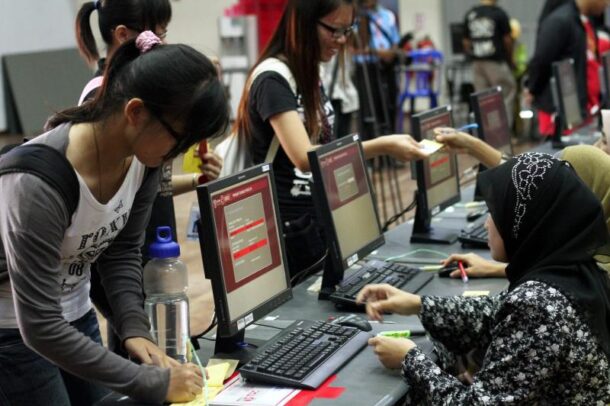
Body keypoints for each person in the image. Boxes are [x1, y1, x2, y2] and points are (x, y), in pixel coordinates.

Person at [0, 32, 229, 405]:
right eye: (180, 140)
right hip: (14, 329)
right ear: (135, 112)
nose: (180, 153)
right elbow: (39, 326)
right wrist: (149, 382)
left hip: (73, 312)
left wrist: (133, 329)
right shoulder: (35, 184)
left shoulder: (143, 160)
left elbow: (120, 250)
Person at [358, 152, 610, 403]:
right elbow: (493, 313)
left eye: (496, 213)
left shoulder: (538, 305)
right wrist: (417, 304)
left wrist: (410, 359)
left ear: (523, 222)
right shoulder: (574, 269)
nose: (488, 223)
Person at [233, 0, 427, 281]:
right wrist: (383, 145)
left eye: (347, 30)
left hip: (316, 218)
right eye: (334, 30)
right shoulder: (273, 79)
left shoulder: (311, 71)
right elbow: (304, 156)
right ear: (302, 23)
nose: (342, 40)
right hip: (286, 229)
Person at [74, 0, 224, 357]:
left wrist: (195, 181)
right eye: (156, 34)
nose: (161, 45)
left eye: (165, 34)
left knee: (152, 347)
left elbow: (145, 185)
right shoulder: (104, 100)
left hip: (145, 248)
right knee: (136, 346)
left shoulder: (143, 119)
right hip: (119, 265)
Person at [436, 142, 610, 279]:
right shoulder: (589, 272)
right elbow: (525, 179)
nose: (598, 145)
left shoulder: (588, 284)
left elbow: (527, 186)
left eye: (604, 140)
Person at [526, 0, 608, 140]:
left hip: (581, 110)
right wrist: (532, 88)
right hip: (558, 111)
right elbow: (542, 59)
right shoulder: (560, 21)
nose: (607, 4)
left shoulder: (585, 21)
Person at [463, 0, 516, 128]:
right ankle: (503, 134)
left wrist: (473, 54)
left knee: (482, 101)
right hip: (495, 61)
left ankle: (485, 134)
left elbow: (465, 42)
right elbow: (507, 40)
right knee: (506, 94)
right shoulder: (499, 14)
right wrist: (511, 59)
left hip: (477, 63)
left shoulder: (471, 14)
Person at [354, 0, 401, 136]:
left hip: (387, 67)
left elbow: (395, 42)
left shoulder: (388, 15)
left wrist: (390, 54)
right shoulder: (355, 16)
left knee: (389, 106)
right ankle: (369, 149)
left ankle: (390, 146)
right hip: (365, 68)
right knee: (367, 111)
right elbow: (357, 46)